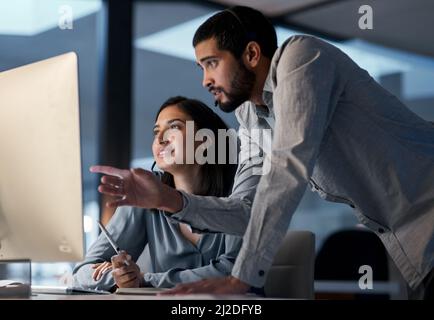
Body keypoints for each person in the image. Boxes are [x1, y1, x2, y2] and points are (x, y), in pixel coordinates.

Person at [91, 6, 434, 299]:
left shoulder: (301, 57)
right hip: (410, 246)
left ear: (252, 55)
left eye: (211, 63)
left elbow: (289, 166)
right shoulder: (250, 116)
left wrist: (241, 277)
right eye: (201, 68)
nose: (205, 80)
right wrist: (170, 200)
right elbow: (246, 211)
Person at [73, 96, 242, 291]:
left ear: (204, 140)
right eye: (156, 132)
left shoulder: (240, 192)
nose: (160, 139)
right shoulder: (144, 194)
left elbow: (234, 273)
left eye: (173, 128)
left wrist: (146, 279)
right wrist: (119, 275)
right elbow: (82, 273)